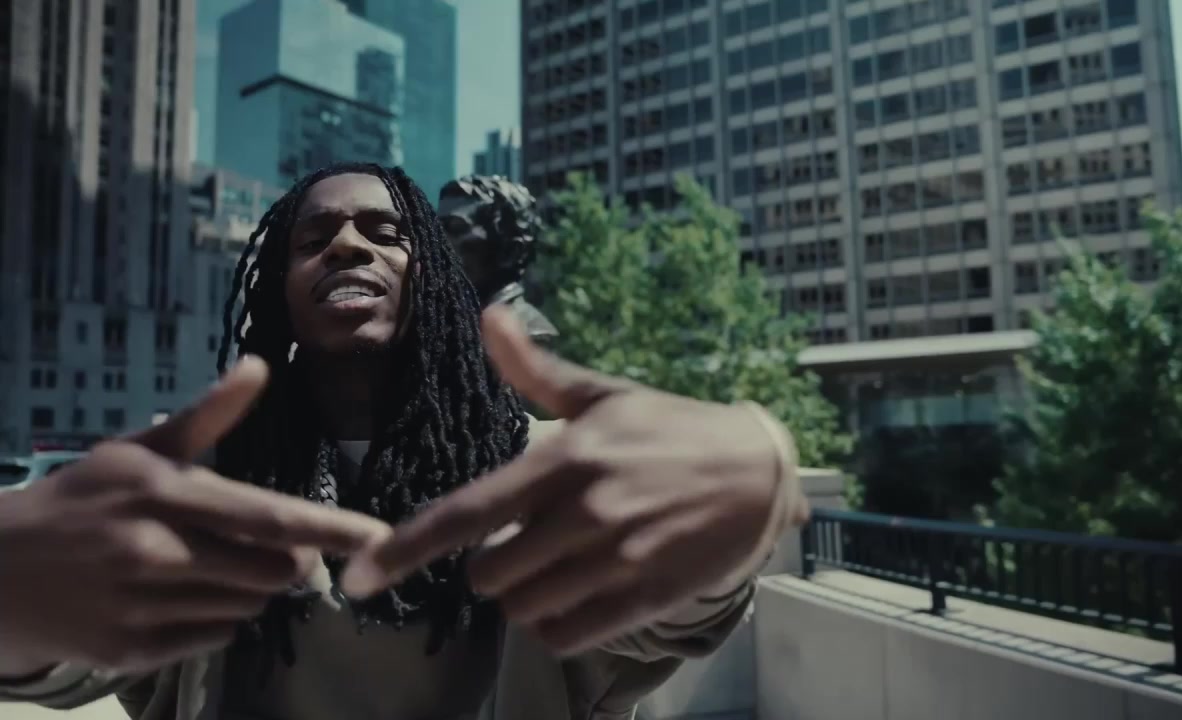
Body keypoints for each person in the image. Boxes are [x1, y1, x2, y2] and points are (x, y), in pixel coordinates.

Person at [0, 162, 808, 720]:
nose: (348, 246)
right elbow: (60, 658)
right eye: (313, 239)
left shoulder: (538, 472)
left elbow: (673, 615)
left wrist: (741, 483)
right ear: (276, 292)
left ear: (438, 280)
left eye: (386, 232)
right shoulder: (206, 488)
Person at [438, 174, 559, 343]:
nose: (438, 241)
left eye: (456, 227)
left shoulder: (529, 336)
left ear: (511, 251)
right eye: (437, 229)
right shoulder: (449, 327)